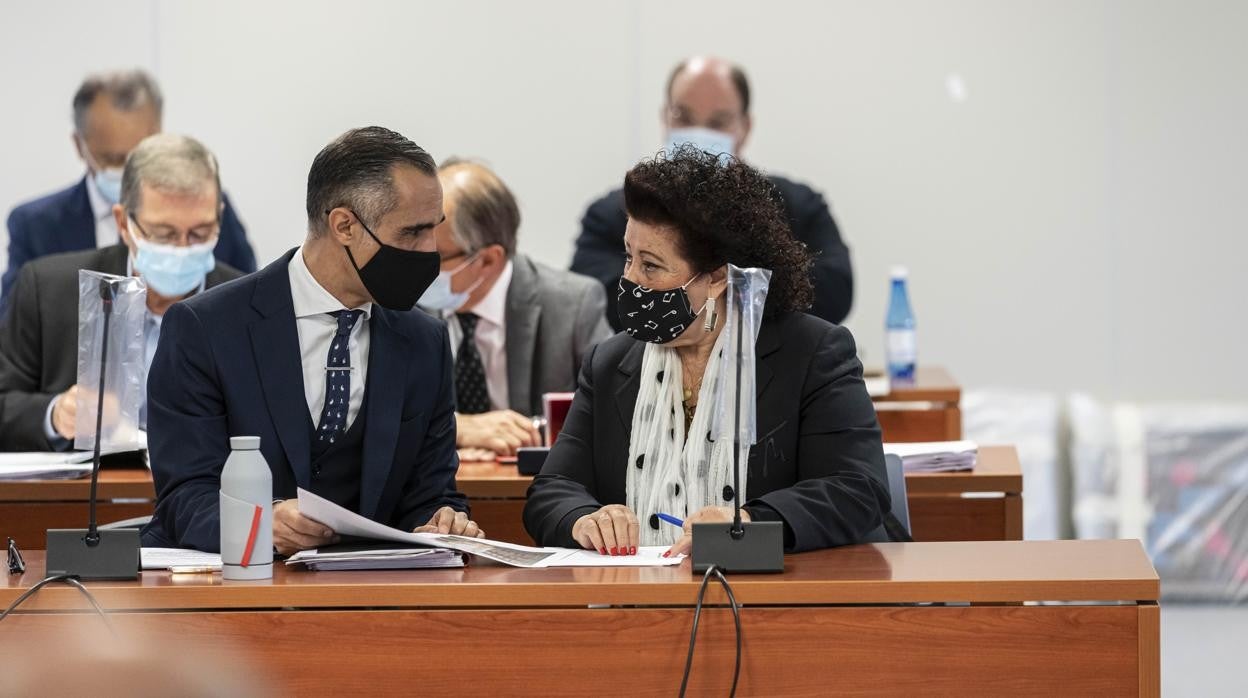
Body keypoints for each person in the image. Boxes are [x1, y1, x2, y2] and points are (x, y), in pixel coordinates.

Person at [525, 146, 893, 557]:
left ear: (717, 278)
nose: (628, 280)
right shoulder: (609, 363)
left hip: (771, 601)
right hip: (639, 599)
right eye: (628, 258)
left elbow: (858, 489)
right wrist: (583, 518)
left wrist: (750, 522)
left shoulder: (812, 353)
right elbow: (552, 491)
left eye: (650, 266)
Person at [143, 126, 482, 554]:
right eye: (411, 233)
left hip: (371, 598)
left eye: (434, 229)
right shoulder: (205, 328)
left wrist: (445, 519)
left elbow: (430, 494)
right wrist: (261, 524)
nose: (430, 250)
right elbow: (184, 498)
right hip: (241, 593)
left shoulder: (425, 341)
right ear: (343, 225)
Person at [571, 56, 854, 330]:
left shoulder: (796, 206)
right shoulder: (617, 211)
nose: (698, 132)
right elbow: (593, 294)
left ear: (745, 127)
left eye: (718, 122)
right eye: (684, 117)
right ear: (665, 118)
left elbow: (834, 290)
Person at [0, 134, 243, 452]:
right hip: (82, 495)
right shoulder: (48, 289)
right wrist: (57, 414)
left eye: (200, 232)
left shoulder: (245, 304)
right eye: (164, 233)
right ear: (124, 223)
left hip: (205, 494)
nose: (183, 248)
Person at [1, 69, 255, 317]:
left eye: (140, 152)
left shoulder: (205, 210)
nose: (131, 169)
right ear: (80, 145)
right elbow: (16, 324)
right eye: (113, 159)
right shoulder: (37, 225)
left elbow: (249, 302)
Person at [418, 160, 611, 458]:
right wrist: (459, 428)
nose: (416, 266)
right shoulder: (403, 308)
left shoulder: (572, 305)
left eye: (434, 256)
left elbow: (613, 416)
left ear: (488, 260)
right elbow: (376, 413)